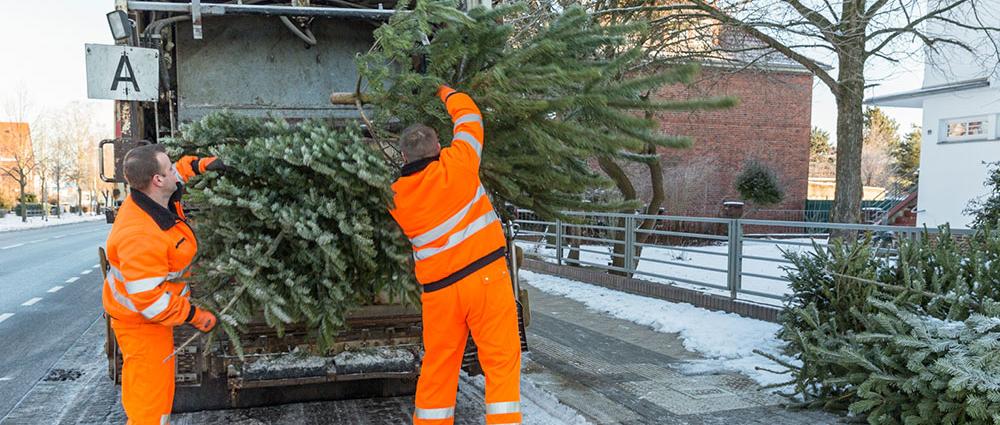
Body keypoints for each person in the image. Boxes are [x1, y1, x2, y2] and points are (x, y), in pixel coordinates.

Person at [389, 86, 522, 424]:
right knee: (501, 364)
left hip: (440, 296)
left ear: (404, 158)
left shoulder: (397, 199)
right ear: (438, 147)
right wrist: (444, 89)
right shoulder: (460, 163)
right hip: (487, 280)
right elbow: (470, 118)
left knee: (438, 371)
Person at [102, 144, 226, 425]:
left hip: (149, 323)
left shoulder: (153, 198)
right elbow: (151, 302)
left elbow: (180, 171)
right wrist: (194, 315)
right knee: (151, 408)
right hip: (142, 326)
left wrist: (203, 164)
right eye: (168, 168)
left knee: (155, 398)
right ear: (157, 180)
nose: (175, 171)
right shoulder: (140, 235)